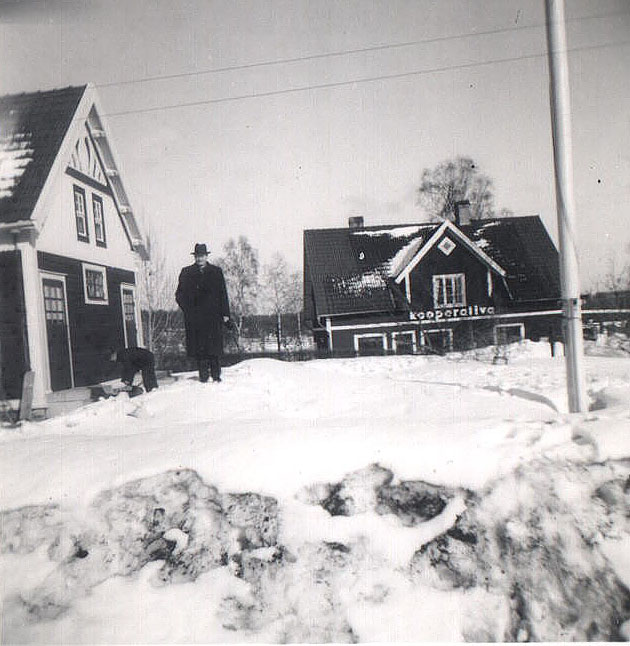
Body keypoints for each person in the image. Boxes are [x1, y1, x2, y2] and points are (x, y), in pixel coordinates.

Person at [175, 243, 231, 383]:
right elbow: (179, 295)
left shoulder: (216, 272)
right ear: (195, 257)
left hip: (213, 316)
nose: (200, 258)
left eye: (202, 256)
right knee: (200, 348)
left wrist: (225, 314)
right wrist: (188, 310)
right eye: (197, 256)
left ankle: (216, 375)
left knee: (214, 347)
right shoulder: (187, 272)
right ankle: (203, 376)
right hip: (195, 318)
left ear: (206, 256)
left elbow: (223, 294)